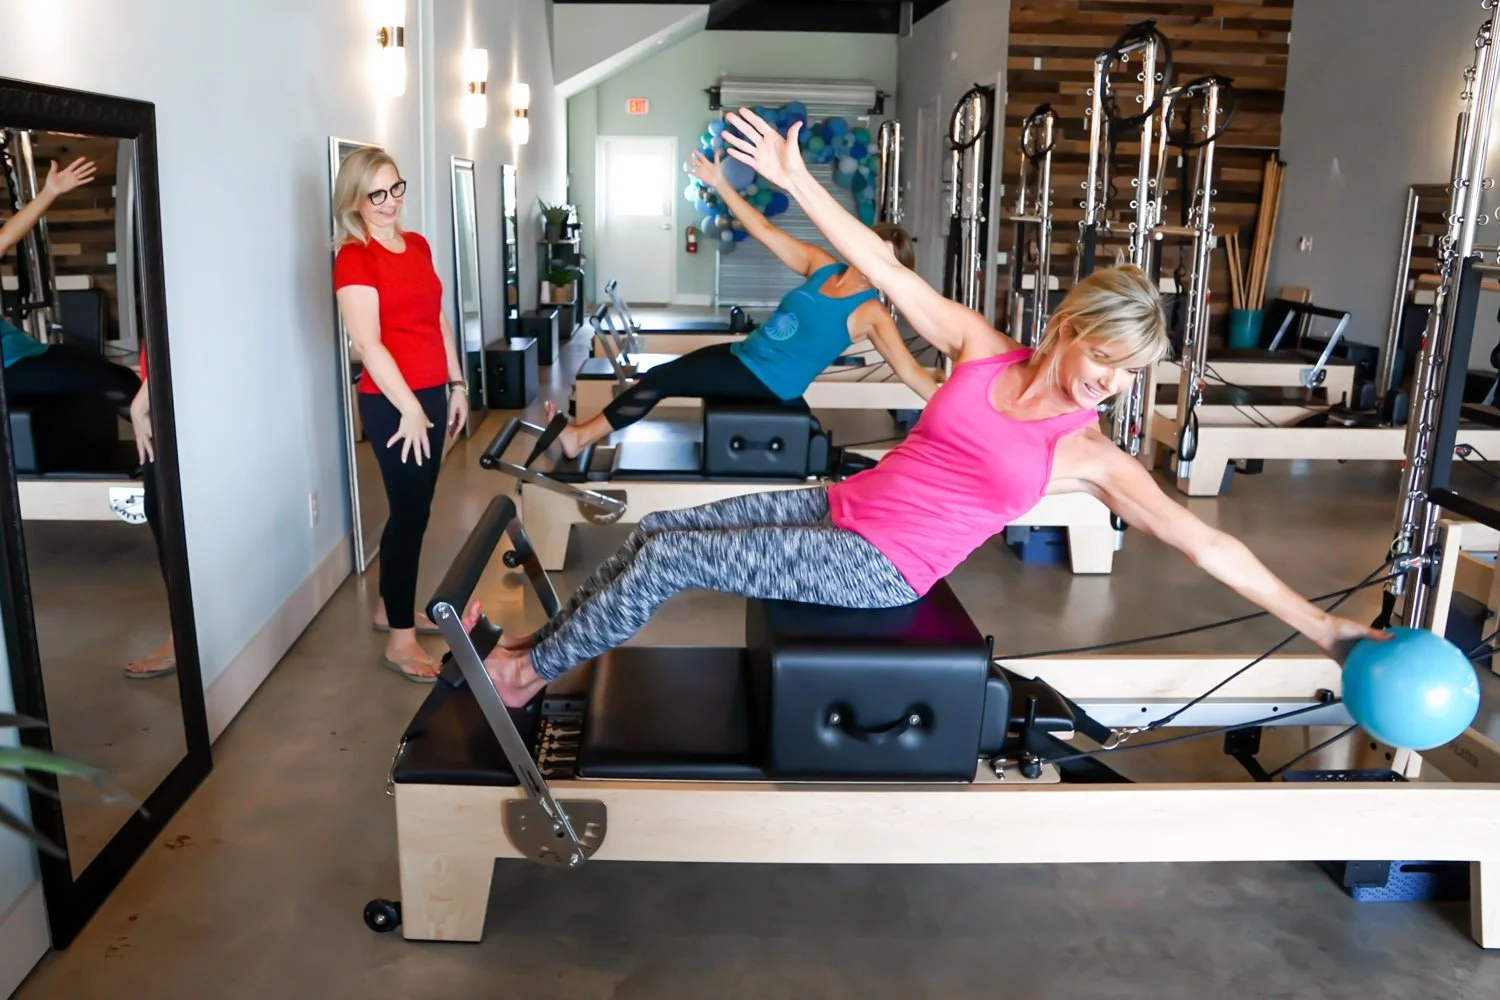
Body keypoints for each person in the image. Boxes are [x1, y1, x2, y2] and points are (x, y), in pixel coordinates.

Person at [459, 108, 1387, 708]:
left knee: (671, 567)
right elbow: (887, 269)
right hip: (839, 505)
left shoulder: (1091, 452)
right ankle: (543, 645)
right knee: (651, 543)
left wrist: (1327, 628)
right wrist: (797, 183)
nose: (1104, 383)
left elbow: (1205, 543)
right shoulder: (982, 348)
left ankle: (522, 675)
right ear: (1068, 327)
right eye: (1102, 358)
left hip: (883, 566)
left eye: (1124, 374)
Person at [534, 148, 938, 460]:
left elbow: (908, 370)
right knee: (662, 374)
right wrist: (719, 181)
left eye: (884, 259)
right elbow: (763, 229)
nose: (872, 261)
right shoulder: (823, 266)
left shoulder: (872, 312)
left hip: (769, 381)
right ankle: (580, 435)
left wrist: (959, 404)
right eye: (872, 248)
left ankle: (579, 437)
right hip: (746, 355)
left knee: (661, 381)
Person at [332, 147, 471, 682]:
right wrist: (410, 408)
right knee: (412, 514)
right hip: (393, 404)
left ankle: (387, 604)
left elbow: (436, 317)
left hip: (433, 392)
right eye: (376, 194)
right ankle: (400, 641)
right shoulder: (354, 257)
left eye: (396, 189)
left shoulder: (416, 245)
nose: (390, 203)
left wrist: (456, 384)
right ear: (355, 200)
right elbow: (368, 344)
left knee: (412, 506)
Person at [0, 156, 139, 407]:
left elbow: (6, 237)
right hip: (10, 371)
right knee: (119, 382)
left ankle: (146, 428)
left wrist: (50, 191)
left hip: (29, 352)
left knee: (121, 377)